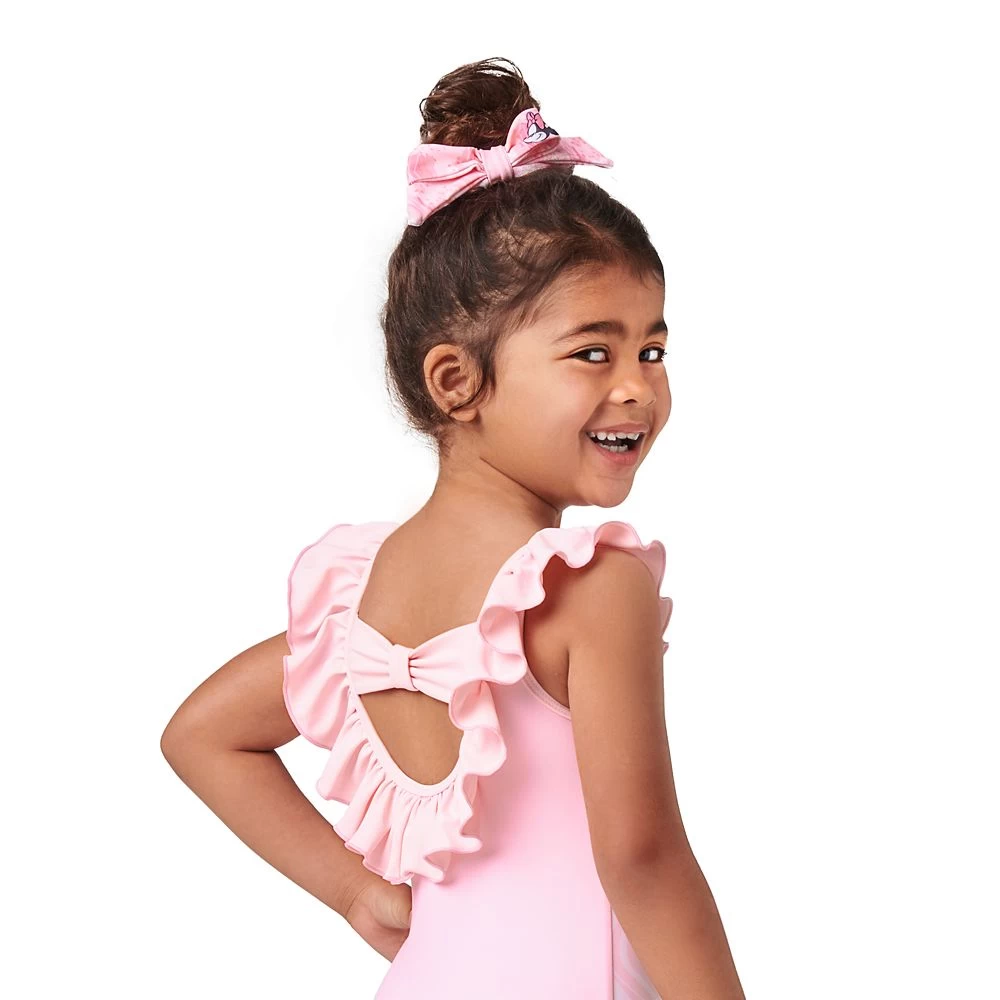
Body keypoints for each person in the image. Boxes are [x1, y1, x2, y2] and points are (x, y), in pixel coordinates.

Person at [160, 56, 745, 1000]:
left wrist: (356, 892)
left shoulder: (361, 600)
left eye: (652, 348)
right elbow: (642, 859)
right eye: (591, 352)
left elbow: (202, 734)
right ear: (456, 381)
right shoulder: (592, 587)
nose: (638, 385)